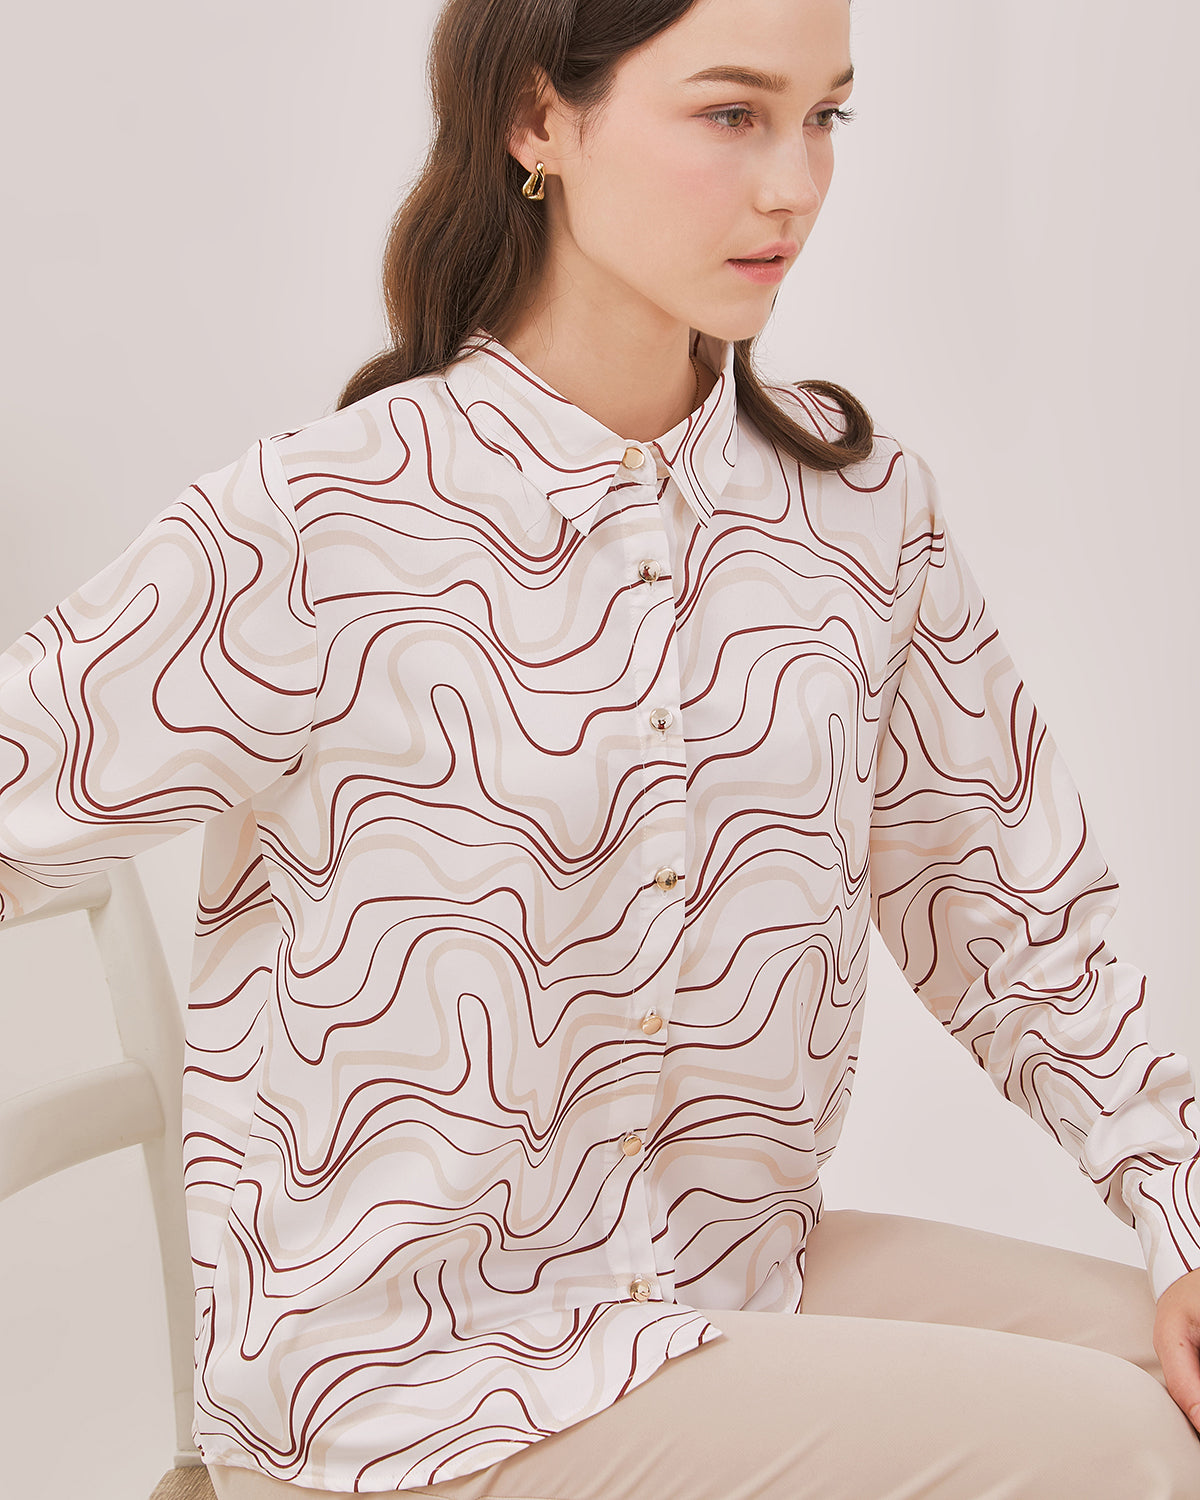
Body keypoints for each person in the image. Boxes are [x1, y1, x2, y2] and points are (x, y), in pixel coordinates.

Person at [3, 0, 1200, 1495]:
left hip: (729, 1281)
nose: (795, 184)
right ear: (536, 119)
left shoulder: (858, 514)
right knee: (1119, 1451)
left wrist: (1181, 1212)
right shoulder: (325, 525)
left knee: (1168, 1387)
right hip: (411, 1387)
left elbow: (1010, 919)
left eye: (825, 116)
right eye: (731, 113)